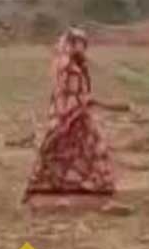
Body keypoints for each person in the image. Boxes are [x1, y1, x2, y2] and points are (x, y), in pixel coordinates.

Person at [23, 28, 115, 202]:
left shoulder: (76, 65)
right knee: (61, 148)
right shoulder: (67, 67)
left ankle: (92, 183)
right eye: (79, 44)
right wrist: (70, 112)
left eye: (83, 44)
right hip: (69, 114)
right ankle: (47, 183)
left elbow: (80, 92)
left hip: (78, 114)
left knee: (88, 149)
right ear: (71, 44)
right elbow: (65, 93)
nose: (82, 48)